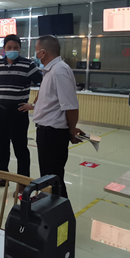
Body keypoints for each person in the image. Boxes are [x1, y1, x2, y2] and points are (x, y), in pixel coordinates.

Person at [0, 34, 42, 187]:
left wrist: (33, 104)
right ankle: (2, 178)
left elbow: (45, 83)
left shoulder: (28, 65)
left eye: (15, 47)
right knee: (1, 147)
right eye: (9, 47)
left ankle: (23, 183)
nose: (12, 50)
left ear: (20, 48)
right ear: (4, 49)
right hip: (1, 112)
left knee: (20, 148)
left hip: (18, 112)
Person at [27, 35, 84, 199]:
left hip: (53, 134)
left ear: (43, 52)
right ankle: (47, 203)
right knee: (48, 175)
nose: (36, 55)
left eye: (36, 51)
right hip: (45, 131)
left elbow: (71, 106)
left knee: (54, 177)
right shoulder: (50, 70)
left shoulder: (59, 70)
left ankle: (60, 211)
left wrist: (71, 130)